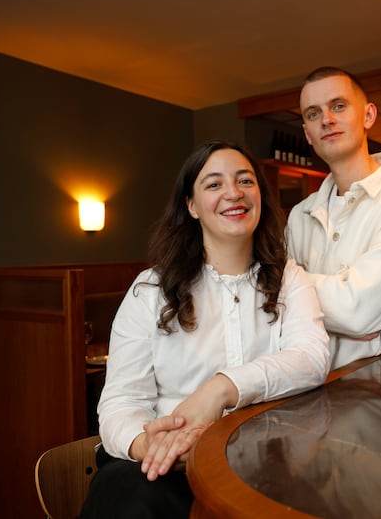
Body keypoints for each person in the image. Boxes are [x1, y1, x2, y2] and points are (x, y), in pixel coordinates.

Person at [81, 139, 331, 519]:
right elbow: (121, 402)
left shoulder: (290, 279)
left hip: (260, 462)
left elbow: (311, 358)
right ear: (191, 205)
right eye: (213, 184)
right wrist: (147, 445)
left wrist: (221, 388)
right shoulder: (150, 289)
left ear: (260, 196)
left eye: (245, 181)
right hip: (163, 469)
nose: (234, 193)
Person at [286, 66, 381, 370]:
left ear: (368, 116)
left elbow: (356, 311)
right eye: (313, 114)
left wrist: (292, 288)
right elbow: (281, 316)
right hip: (308, 381)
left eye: (338, 106)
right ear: (308, 134)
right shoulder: (299, 215)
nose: (327, 119)